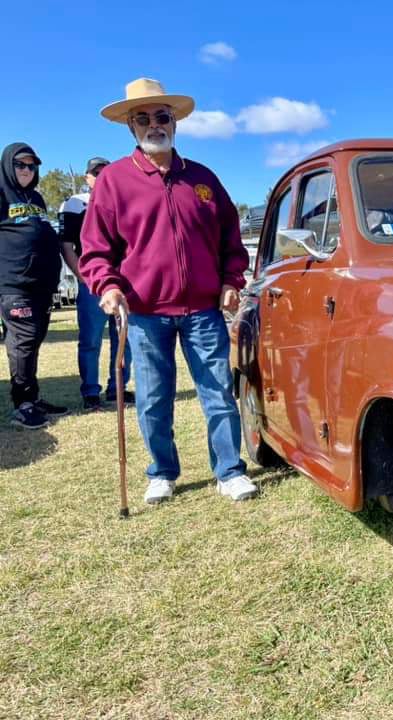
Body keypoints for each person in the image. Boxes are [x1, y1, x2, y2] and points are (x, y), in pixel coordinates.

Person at [79, 78, 256, 503]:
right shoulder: (114, 182)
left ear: (174, 122)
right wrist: (107, 286)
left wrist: (232, 282)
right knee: (154, 399)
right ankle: (162, 472)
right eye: (143, 118)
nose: (154, 125)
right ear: (131, 128)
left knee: (217, 392)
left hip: (203, 311)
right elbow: (95, 249)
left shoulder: (203, 179)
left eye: (162, 117)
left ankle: (229, 470)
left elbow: (232, 242)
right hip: (143, 313)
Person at [0, 143, 69, 428]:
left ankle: (33, 396)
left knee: (35, 340)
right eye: (21, 165)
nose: (27, 170)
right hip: (15, 284)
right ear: (8, 166)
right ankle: (22, 404)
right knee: (23, 342)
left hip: (42, 286)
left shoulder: (37, 198)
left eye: (32, 165)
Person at [59, 157, 133, 411]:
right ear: (87, 177)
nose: (100, 176)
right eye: (95, 173)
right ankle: (91, 391)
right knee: (91, 340)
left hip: (123, 282)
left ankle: (118, 389)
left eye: (105, 171)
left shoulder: (123, 197)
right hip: (93, 283)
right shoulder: (75, 203)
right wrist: (86, 279)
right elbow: (67, 246)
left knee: (123, 337)